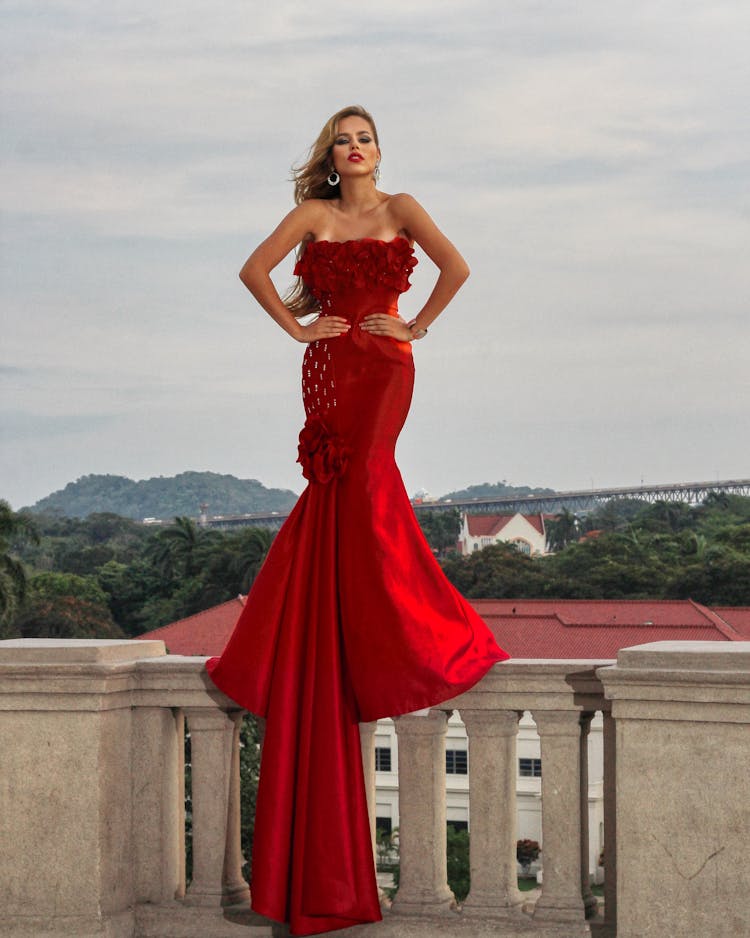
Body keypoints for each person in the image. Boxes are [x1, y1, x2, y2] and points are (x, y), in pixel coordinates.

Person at [206, 105, 509, 936]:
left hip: (388, 363)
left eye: (365, 138)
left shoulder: (402, 206)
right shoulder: (313, 214)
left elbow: (457, 268)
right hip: (332, 363)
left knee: (372, 479)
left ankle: (398, 620)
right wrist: (300, 327)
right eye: (343, 140)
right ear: (330, 157)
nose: (355, 149)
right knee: (344, 486)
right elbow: (252, 271)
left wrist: (416, 324)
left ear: (380, 152)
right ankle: (349, 618)